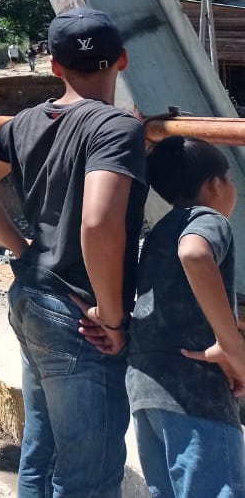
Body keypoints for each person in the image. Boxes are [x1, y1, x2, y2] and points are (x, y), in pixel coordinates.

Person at [0, 7, 147, 497]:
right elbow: (99, 224)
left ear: (55, 66)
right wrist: (113, 315)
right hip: (82, 314)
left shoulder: (22, 124)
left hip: (33, 296)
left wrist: (19, 247)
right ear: (121, 60)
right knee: (89, 472)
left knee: (42, 449)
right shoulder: (116, 129)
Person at [127, 137, 245, 497]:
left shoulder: (162, 228)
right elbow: (194, 254)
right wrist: (231, 344)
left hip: (146, 386)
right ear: (215, 184)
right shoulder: (208, 219)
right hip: (194, 394)